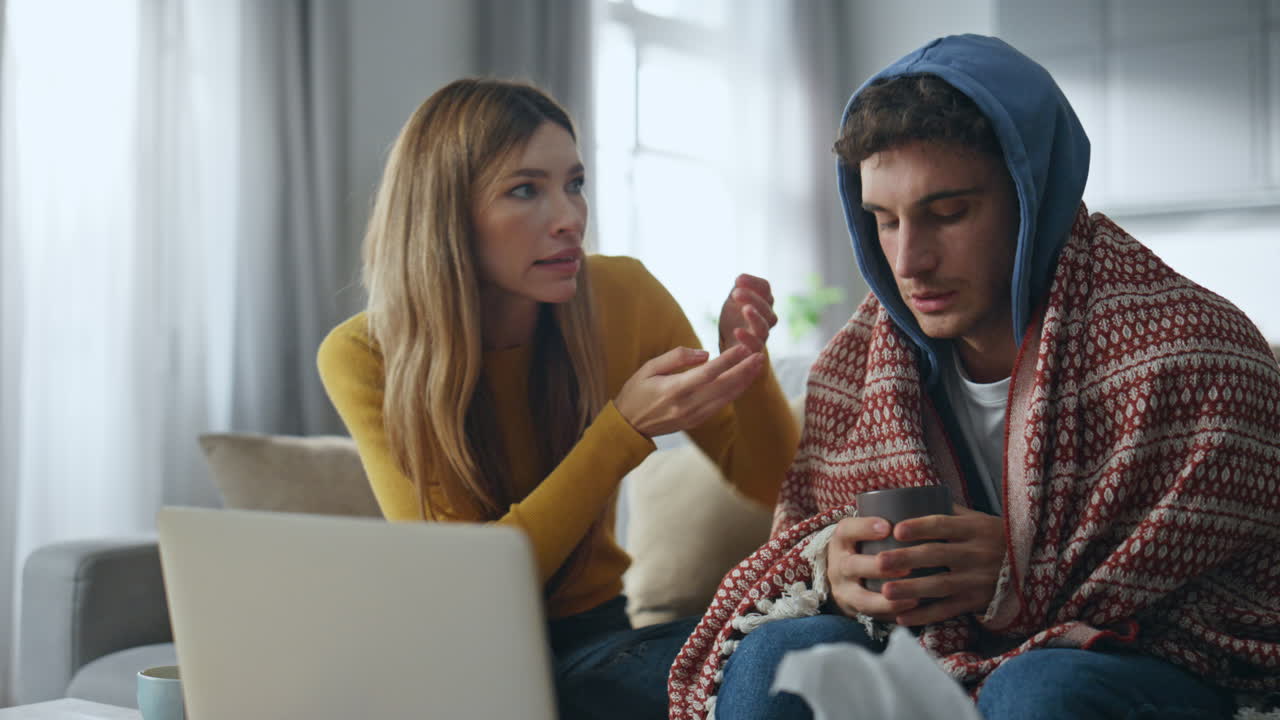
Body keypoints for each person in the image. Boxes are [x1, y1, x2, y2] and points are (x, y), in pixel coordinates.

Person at [667, 34, 1280, 720]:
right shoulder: (854, 367)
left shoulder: (1193, 354)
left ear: (1032, 194)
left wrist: (1025, 574)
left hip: (1148, 662)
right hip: (928, 646)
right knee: (780, 657)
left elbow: (1242, 600)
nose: (908, 260)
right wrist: (832, 570)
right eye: (883, 220)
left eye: (948, 213)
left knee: (1035, 691)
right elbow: (801, 542)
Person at [315, 78, 799, 720]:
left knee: (803, 654)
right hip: (461, 661)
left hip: (597, 642)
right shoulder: (364, 355)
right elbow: (468, 589)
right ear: (447, 213)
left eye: (574, 183)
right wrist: (621, 429)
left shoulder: (626, 295)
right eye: (525, 190)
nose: (569, 217)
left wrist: (747, 363)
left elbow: (775, 484)